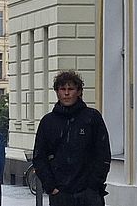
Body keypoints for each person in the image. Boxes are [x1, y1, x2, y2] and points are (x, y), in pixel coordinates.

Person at [32, 71, 111, 206]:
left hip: (88, 193)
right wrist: (51, 187)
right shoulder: (48, 122)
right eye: (62, 89)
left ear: (79, 91)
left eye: (71, 89)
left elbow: (103, 154)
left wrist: (93, 185)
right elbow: (39, 157)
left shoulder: (92, 118)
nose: (66, 93)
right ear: (57, 92)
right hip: (60, 193)